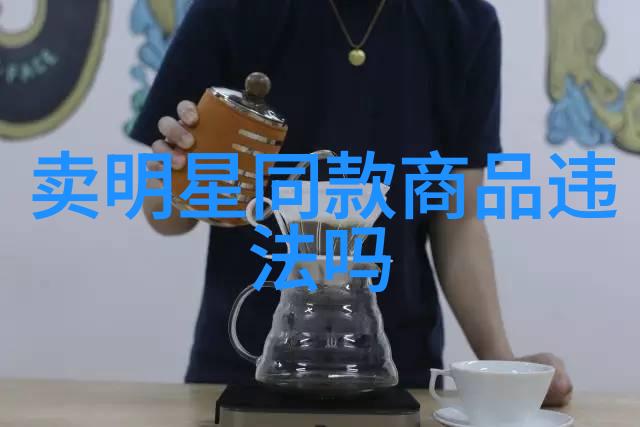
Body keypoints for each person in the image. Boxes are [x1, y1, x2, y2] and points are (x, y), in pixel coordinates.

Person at [130, 0, 573, 406]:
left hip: (396, 373)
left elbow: (458, 222)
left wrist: (503, 368)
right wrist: (178, 173)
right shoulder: (228, 11)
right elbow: (165, 218)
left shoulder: (465, 21)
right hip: (241, 373)